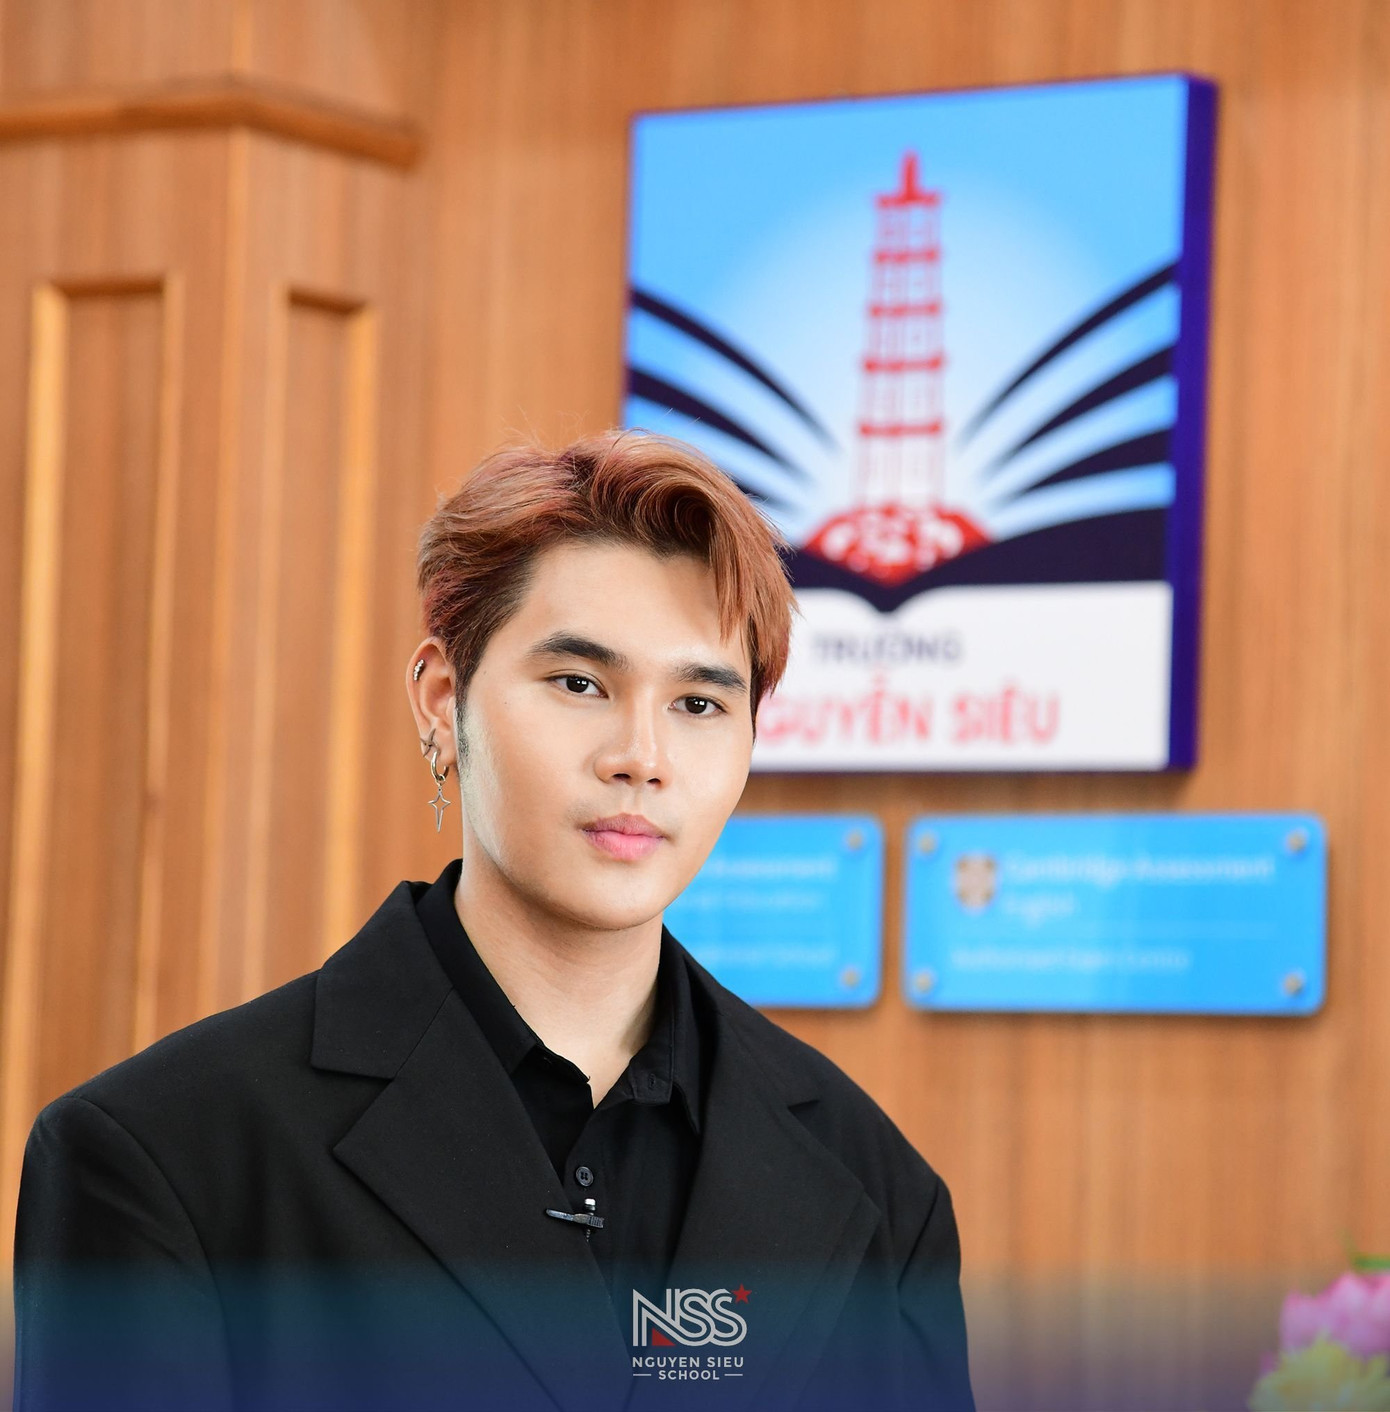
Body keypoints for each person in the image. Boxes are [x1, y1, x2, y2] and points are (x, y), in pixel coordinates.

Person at [13, 431, 974, 1412]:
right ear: (443, 700)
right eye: (580, 684)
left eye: (697, 703)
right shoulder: (164, 1156)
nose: (641, 758)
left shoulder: (878, 1190)